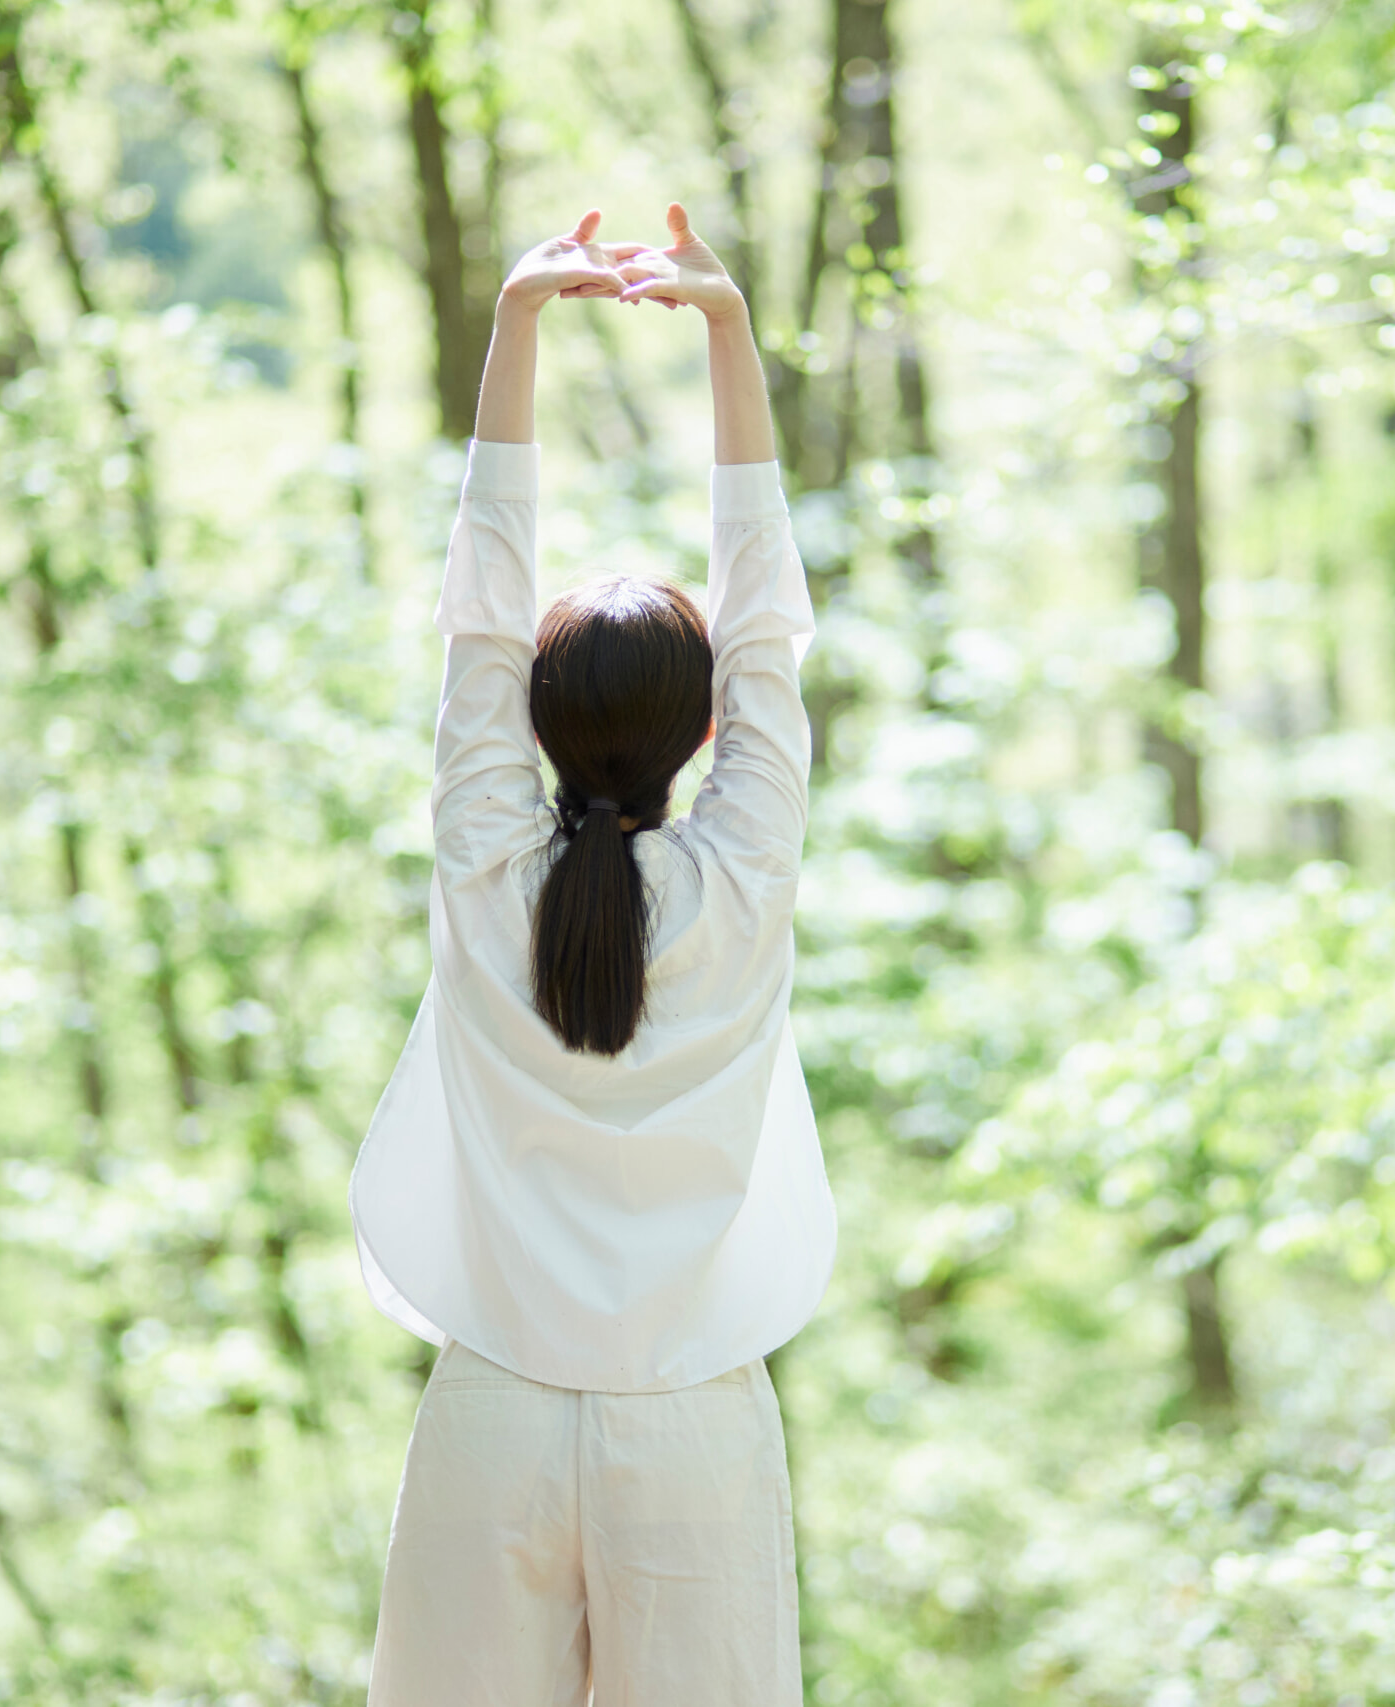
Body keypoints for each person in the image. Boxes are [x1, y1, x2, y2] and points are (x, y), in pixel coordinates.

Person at [349, 204, 835, 1707]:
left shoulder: (486, 865)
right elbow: (766, 627)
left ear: (534, 728)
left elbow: (478, 617)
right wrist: (730, 334)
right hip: (691, 1422)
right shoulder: (741, 878)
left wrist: (517, 327)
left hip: (493, 1408)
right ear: (706, 732)